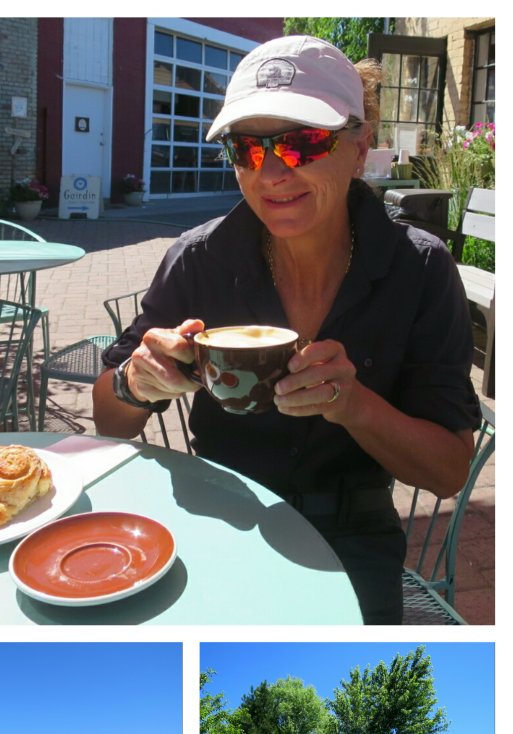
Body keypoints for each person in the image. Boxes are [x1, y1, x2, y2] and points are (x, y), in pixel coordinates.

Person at [93, 34, 481, 624]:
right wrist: (137, 383)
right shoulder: (199, 259)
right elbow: (106, 418)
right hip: (214, 516)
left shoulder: (419, 268)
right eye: (247, 148)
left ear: (360, 148)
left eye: (301, 143)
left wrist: (353, 405)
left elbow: (450, 471)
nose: (271, 171)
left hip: (350, 538)